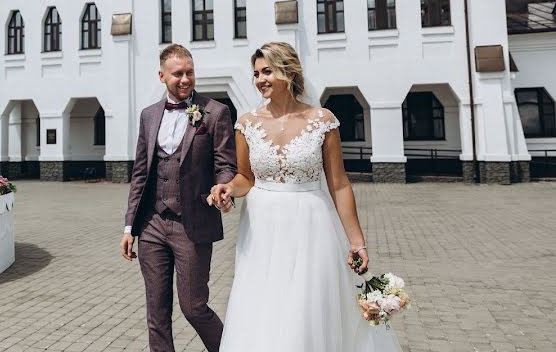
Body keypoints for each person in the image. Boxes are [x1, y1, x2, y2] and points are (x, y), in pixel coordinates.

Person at [209, 42, 402, 351]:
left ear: (289, 70)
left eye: (267, 71)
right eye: (256, 73)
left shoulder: (322, 120)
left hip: (311, 226)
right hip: (262, 231)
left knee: (306, 306)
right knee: (265, 305)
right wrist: (228, 189)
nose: (260, 80)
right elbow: (245, 177)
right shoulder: (247, 123)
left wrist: (357, 241)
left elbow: (339, 184)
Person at [120, 43, 237, 352]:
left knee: (194, 306)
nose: (185, 79)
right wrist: (129, 227)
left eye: (190, 72)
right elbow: (140, 174)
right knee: (156, 312)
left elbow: (226, 165)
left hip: (193, 224)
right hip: (152, 225)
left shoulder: (216, 112)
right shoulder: (148, 115)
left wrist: (223, 187)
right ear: (162, 76)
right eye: (178, 74)